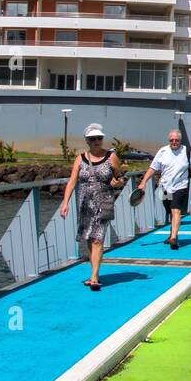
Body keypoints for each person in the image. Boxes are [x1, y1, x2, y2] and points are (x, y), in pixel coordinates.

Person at [59, 123, 126, 291]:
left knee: (97, 239)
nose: (96, 141)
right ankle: (93, 272)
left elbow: (120, 178)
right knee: (89, 238)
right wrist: (65, 202)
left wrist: (116, 182)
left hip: (103, 202)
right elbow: (72, 181)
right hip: (84, 203)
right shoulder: (80, 158)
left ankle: (95, 277)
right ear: (87, 141)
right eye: (92, 139)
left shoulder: (111, 157)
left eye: (99, 138)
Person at [137, 128, 191, 250]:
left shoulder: (186, 151)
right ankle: (172, 233)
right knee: (169, 211)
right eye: (171, 140)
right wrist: (143, 182)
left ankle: (173, 238)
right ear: (169, 140)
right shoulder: (162, 151)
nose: (174, 142)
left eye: (176, 140)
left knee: (175, 210)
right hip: (164, 187)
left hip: (180, 186)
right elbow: (152, 168)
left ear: (180, 140)